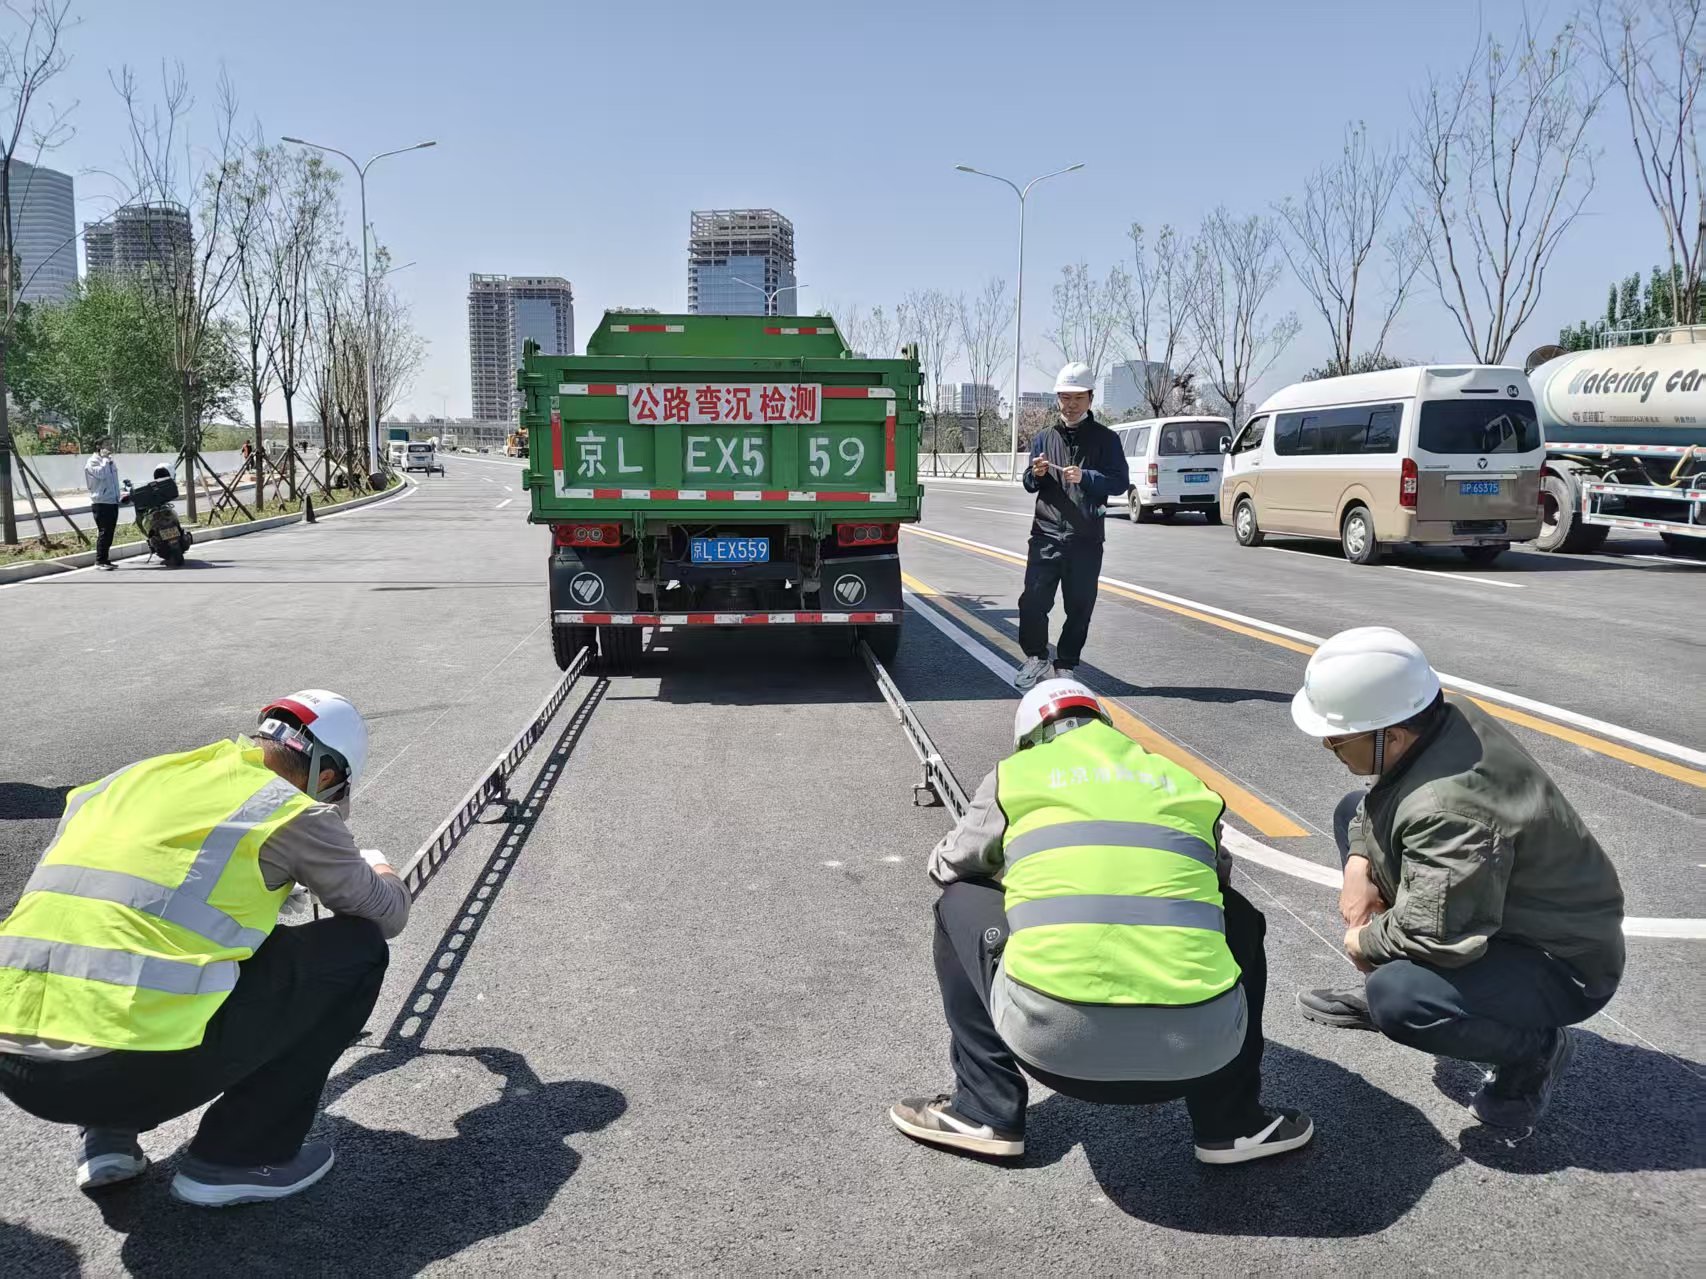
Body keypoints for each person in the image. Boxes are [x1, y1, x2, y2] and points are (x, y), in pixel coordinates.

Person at [0, 689, 410, 1207]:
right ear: (327, 774)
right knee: (356, 949)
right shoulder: (289, 809)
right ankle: (238, 1157)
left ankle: (108, 1136)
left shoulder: (137, 777)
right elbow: (385, 914)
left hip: (17, 1065)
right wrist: (380, 868)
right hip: (118, 1072)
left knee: (130, 941)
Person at [890, 679, 1313, 1165]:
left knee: (958, 900)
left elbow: (948, 867)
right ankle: (1232, 1123)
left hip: (1052, 1048)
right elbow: (1213, 880)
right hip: (1201, 1054)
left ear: (1029, 738)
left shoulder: (1017, 773)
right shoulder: (1182, 780)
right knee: (1234, 915)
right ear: (1106, 724)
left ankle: (985, 1111)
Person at [1290, 627, 1624, 1129]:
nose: (1327, 745)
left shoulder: (1448, 810)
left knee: (1400, 999)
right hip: (1505, 913)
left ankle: (1534, 1048)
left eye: (1337, 740)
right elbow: (1376, 804)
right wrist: (1359, 861)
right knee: (1351, 813)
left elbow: (1434, 935)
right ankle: (1421, 983)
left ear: (1391, 736)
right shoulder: (1442, 719)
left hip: (1561, 964)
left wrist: (1364, 941)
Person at [1014, 363, 1128, 690]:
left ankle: (1066, 664)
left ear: (1091, 398)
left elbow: (1119, 482)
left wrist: (1086, 477)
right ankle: (1036, 656)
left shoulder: (1106, 439)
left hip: (1085, 539)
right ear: (1058, 399)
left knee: (1079, 607)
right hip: (1046, 535)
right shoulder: (1043, 438)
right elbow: (1029, 484)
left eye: (1078, 397)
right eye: (1065, 397)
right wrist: (1034, 474)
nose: (1071, 404)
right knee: (1032, 603)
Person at [83, 439, 120, 572]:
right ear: (98, 446)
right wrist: (104, 459)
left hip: (112, 500)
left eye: (111, 444)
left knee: (110, 532)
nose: (110, 447)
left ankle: (105, 559)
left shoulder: (110, 461)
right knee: (104, 532)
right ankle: (99, 561)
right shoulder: (92, 462)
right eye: (106, 445)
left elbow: (113, 481)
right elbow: (101, 475)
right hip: (101, 502)